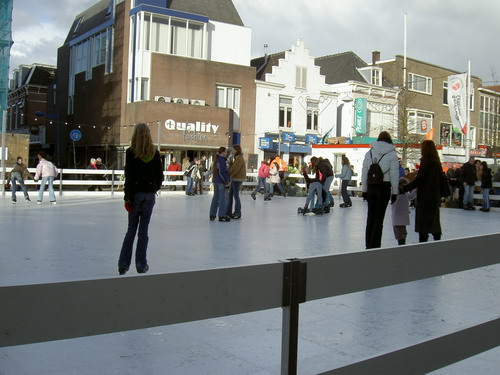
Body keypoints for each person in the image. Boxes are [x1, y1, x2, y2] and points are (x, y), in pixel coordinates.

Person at [118, 123, 163, 275]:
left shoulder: (131, 152)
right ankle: (141, 264)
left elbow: (129, 177)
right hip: (149, 196)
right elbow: (160, 176)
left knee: (131, 229)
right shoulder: (155, 153)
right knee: (143, 231)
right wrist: (153, 188)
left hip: (135, 195)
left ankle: (123, 264)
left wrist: (127, 198)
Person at [361, 131, 399, 249]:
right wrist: (395, 192)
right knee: (379, 218)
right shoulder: (392, 154)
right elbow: (394, 175)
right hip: (384, 188)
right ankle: (375, 244)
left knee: (370, 216)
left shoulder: (369, 153)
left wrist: (364, 190)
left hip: (371, 187)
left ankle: (368, 244)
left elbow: (364, 173)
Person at [402, 140, 443, 243]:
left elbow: (419, 180)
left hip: (425, 198)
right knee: (434, 223)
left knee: (423, 225)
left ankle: (423, 244)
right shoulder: (437, 163)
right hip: (434, 197)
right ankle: (438, 242)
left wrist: (404, 188)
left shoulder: (426, 162)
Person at [391, 178, 417, 245]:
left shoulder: (405, 194)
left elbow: (411, 196)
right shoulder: (396, 193)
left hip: (401, 218)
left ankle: (402, 244)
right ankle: (401, 245)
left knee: (403, 233)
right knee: (400, 234)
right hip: (398, 218)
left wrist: (415, 190)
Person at [209, 147, 231, 222]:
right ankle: (222, 215)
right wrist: (226, 181)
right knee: (222, 199)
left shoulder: (217, 160)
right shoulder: (221, 160)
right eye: (225, 152)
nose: (226, 153)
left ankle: (212, 214)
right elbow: (221, 172)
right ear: (222, 152)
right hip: (221, 182)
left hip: (216, 181)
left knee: (215, 198)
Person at [226, 145, 246, 219]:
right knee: (230, 195)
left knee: (236, 196)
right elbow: (233, 166)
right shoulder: (236, 158)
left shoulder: (239, 158)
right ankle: (228, 211)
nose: (232, 151)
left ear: (236, 150)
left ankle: (237, 212)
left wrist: (229, 175)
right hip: (235, 178)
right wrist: (230, 161)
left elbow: (235, 169)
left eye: (233, 150)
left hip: (237, 179)